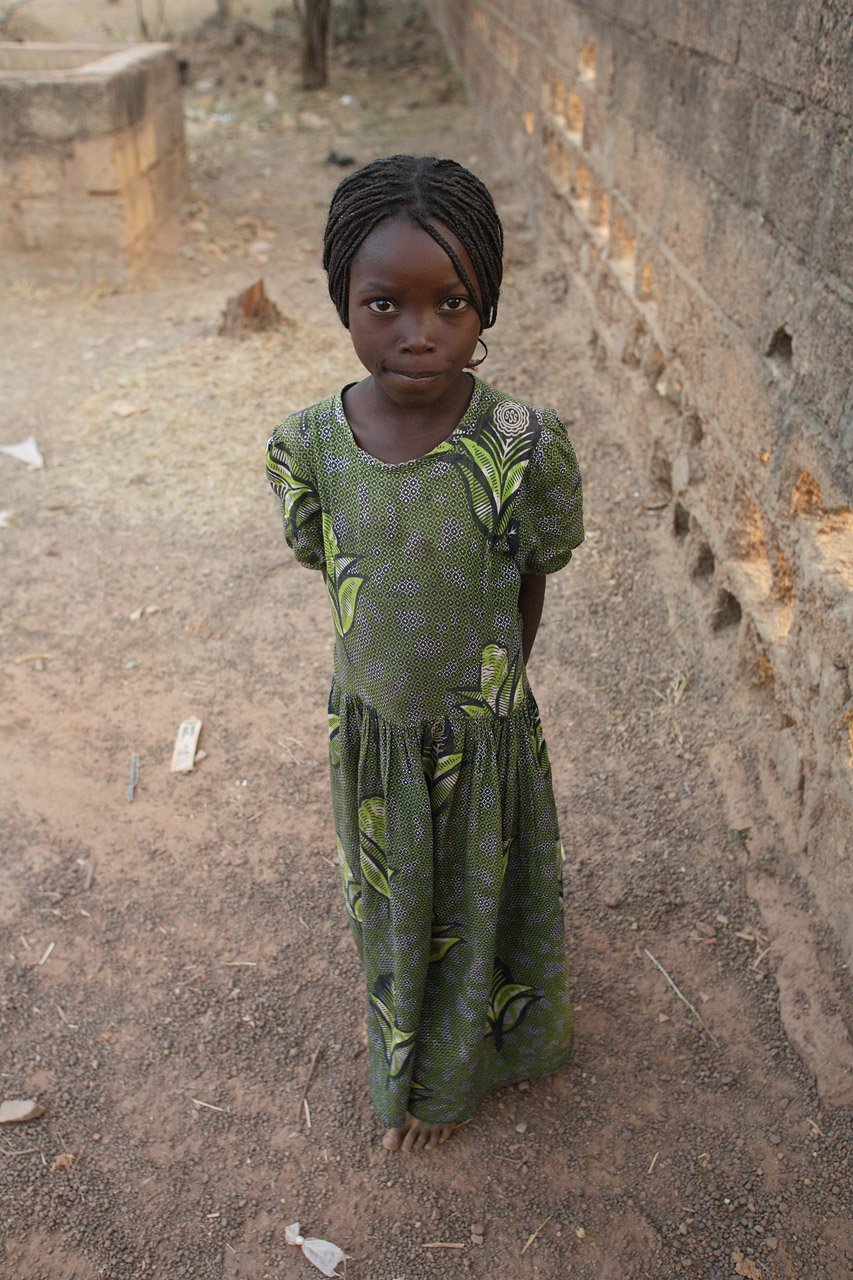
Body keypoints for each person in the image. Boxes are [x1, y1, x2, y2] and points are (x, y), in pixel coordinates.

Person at [266, 155, 584, 1153]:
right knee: (400, 897)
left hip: (484, 730)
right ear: (341, 304)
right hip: (376, 732)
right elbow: (329, 557)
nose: (419, 330)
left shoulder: (521, 443)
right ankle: (406, 1048)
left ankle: (472, 1057)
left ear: (485, 303)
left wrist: (497, 690)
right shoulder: (307, 446)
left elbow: (535, 563)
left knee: (487, 888)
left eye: (452, 300)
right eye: (383, 302)